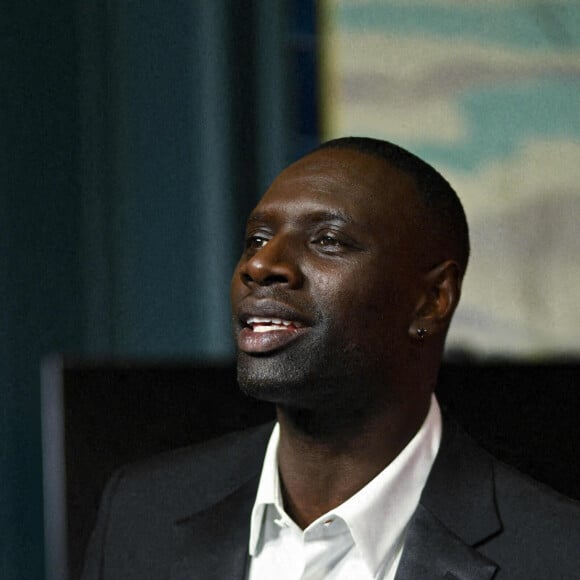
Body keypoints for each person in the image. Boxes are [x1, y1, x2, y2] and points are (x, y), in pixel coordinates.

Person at [81, 137, 580, 580]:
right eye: (256, 238)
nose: (260, 265)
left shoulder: (557, 555)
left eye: (328, 240)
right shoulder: (141, 513)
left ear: (432, 300)